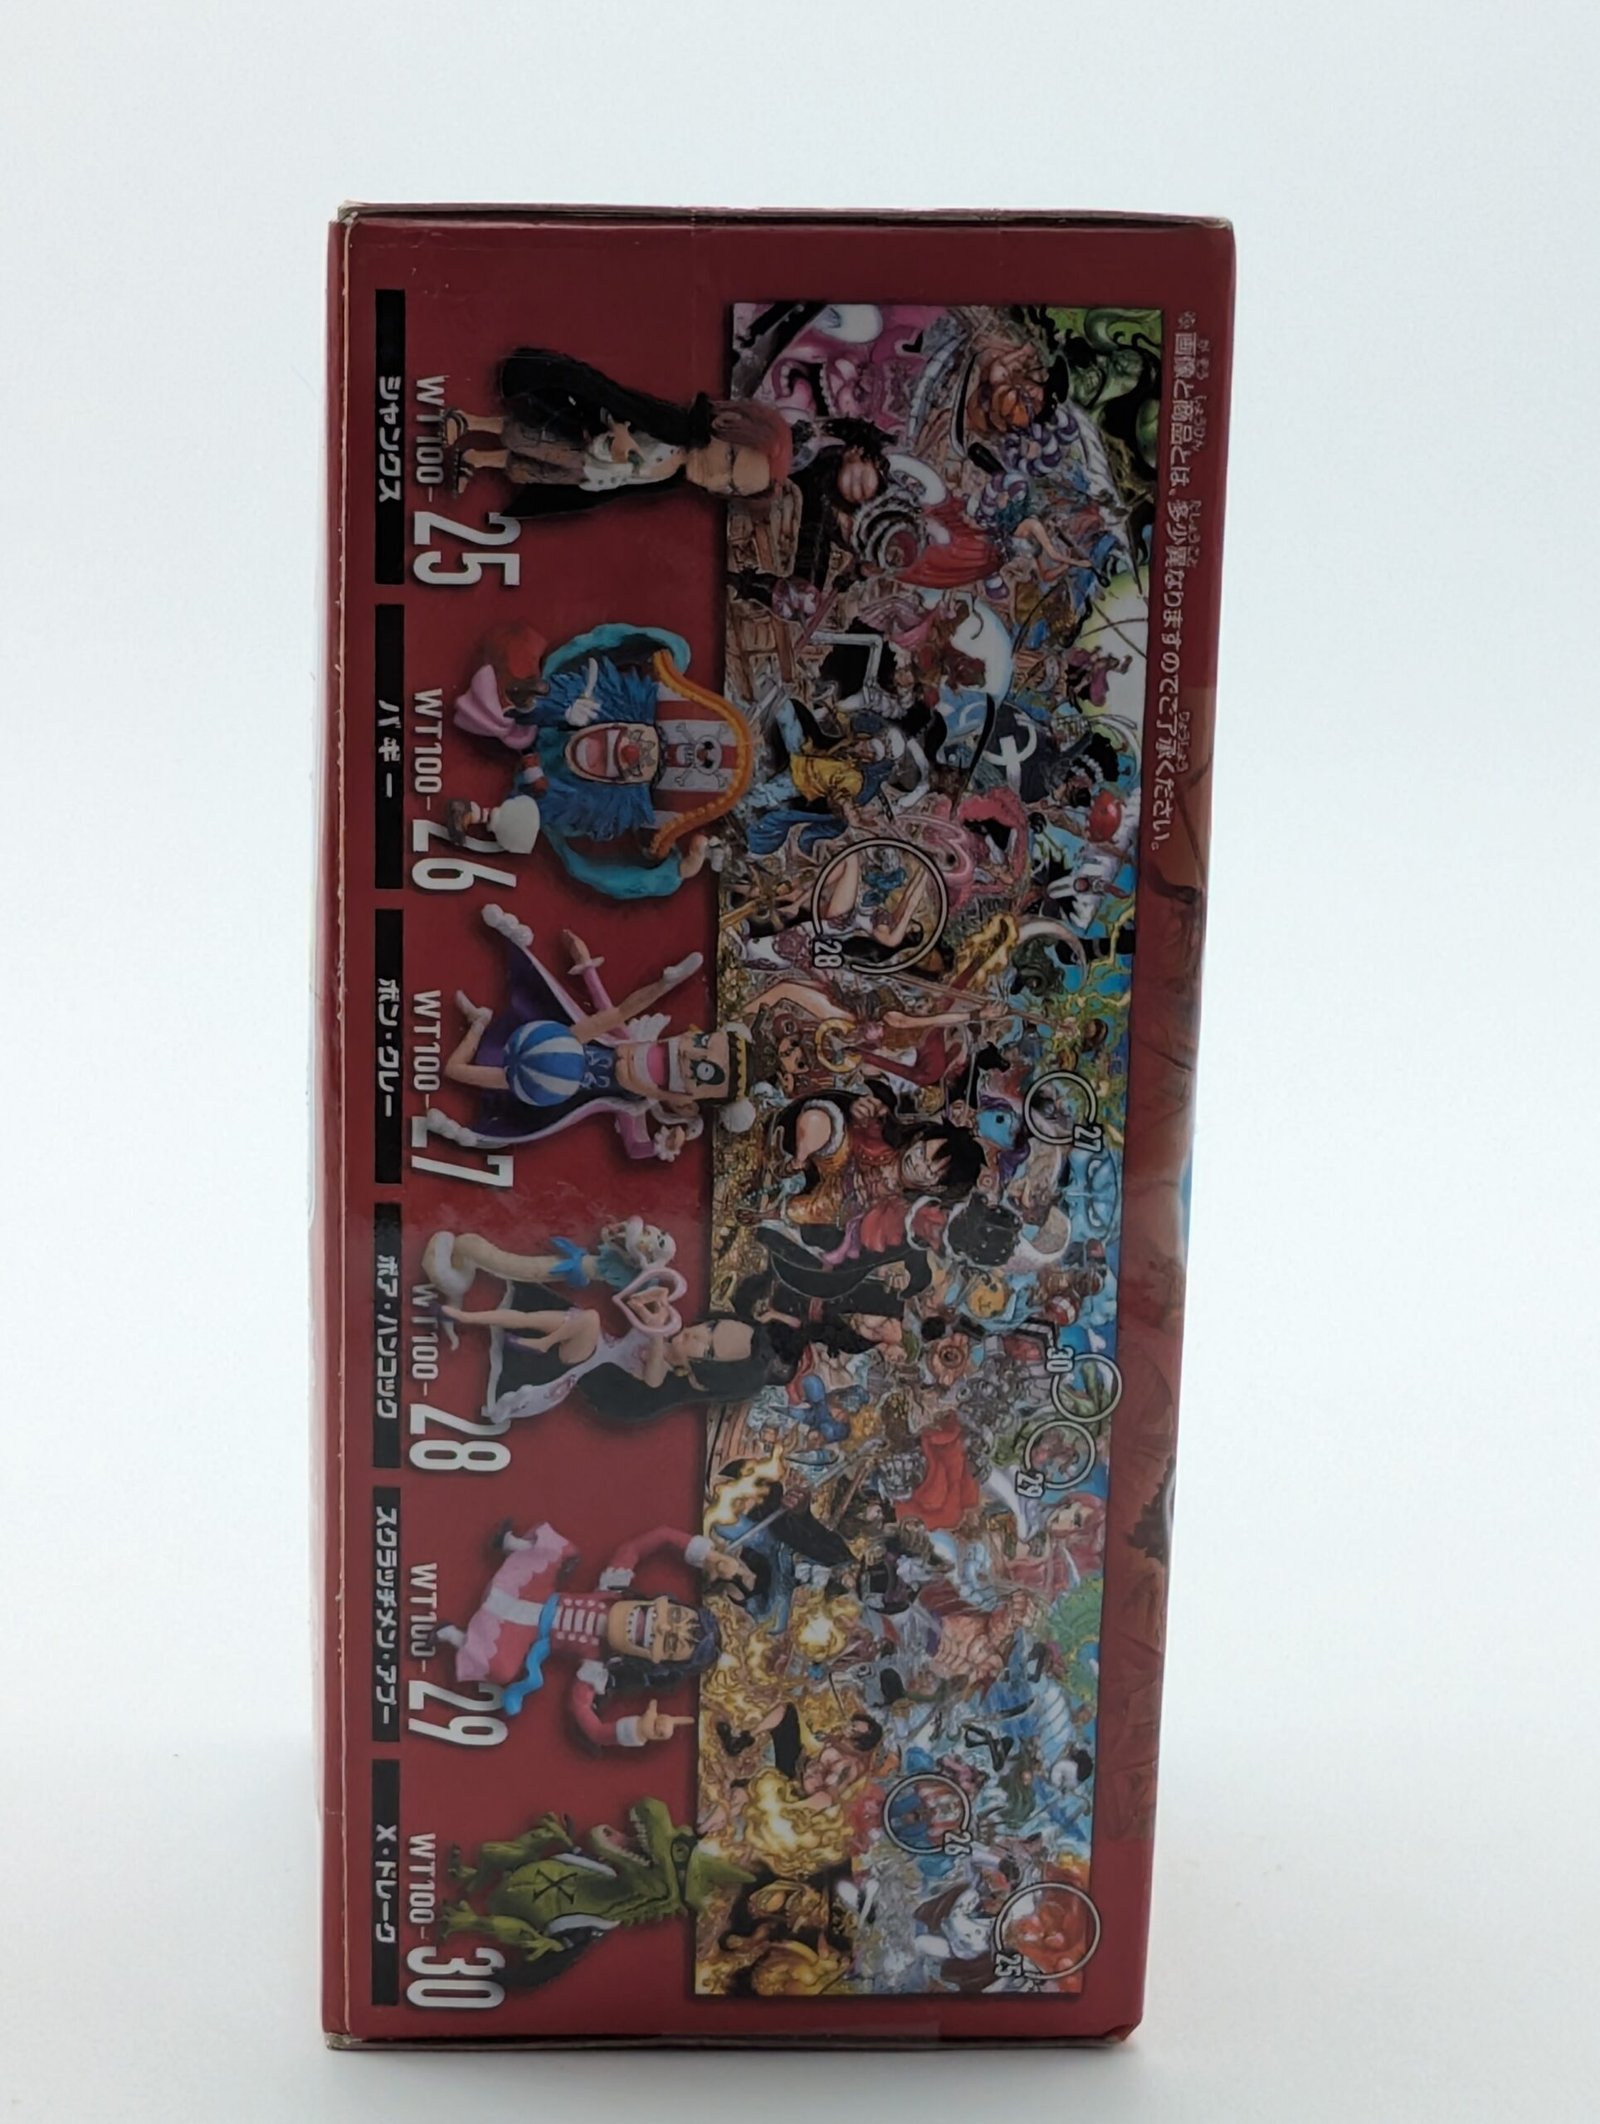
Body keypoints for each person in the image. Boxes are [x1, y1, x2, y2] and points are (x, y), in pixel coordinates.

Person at [420, 905, 754, 1161]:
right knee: (546, 991)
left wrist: (660, 1146)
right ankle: (512, 945)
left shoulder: (633, 1103)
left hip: (545, 1086)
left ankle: (479, 1025)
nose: (689, 1052)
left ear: (687, 1105)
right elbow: (619, 1011)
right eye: (702, 1042)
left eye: (703, 1069)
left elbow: (634, 1146)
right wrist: (661, 983)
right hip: (568, 1039)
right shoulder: (626, 1043)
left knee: (455, 1071)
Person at [436, 1520, 752, 1747]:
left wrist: (638, 1730)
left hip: (520, 1633)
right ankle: (512, 1545)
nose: (661, 1626)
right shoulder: (613, 1587)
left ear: (655, 1661)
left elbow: (590, 1722)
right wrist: (707, 1555)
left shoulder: (596, 1667)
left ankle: (454, 1636)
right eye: (674, 1617)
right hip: (535, 1588)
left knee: (503, 1669)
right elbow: (652, 1541)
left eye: (670, 1641)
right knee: (563, 1551)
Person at [444, 349, 793, 511]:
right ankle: (469, 421)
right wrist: (618, 432)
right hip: (582, 439)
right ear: (725, 425)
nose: (717, 477)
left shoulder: (672, 478)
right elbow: (616, 400)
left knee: (527, 467)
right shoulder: (671, 427)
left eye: (730, 485)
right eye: (729, 459)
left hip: (585, 473)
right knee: (525, 436)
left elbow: (623, 489)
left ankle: (476, 459)